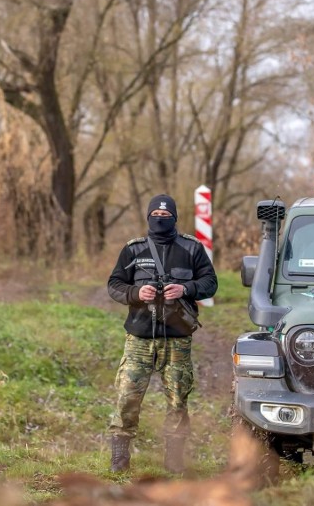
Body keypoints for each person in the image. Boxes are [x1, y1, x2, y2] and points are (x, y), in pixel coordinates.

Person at [106, 194, 218, 474]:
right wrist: (135, 292)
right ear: (148, 216)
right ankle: (120, 458)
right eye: (155, 213)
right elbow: (114, 284)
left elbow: (210, 283)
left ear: (175, 218)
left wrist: (186, 289)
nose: (160, 217)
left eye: (166, 214)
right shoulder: (134, 250)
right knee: (127, 396)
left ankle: (174, 459)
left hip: (177, 339)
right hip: (139, 338)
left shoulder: (191, 248)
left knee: (178, 399)